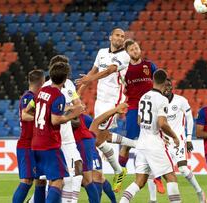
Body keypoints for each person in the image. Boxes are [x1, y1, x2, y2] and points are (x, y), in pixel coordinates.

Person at [76, 27, 135, 192]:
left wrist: (90, 78)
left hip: (112, 102)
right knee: (102, 137)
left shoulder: (124, 56)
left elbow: (109, 70)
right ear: (110, 37)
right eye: (117, 35)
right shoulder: (102, 52)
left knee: (95, 136)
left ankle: (122, 165)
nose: (120, 38)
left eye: (122, 36)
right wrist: (78, 94)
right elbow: (93, 72)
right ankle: (121, 167)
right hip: (99, 101)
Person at [27, 55, 84, 203]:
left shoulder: (42, 91)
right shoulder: (55, 93)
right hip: (51, 142)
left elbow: (29, 110)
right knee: (58, 180)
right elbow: (55, 119)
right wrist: (72, 114)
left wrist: (70, 108)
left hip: (43, 140)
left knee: (46, 180)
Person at [120, 69, 182, 203]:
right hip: (155, 145)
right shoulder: (162, 99)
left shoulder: (143, 97)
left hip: (142, 144)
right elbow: (162, 123)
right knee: (171, 177)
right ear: (165, 82)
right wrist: (174, 137)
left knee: (139, 181)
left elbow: (139, 120)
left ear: (153, 80)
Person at [161, 78, 206, 203]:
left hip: (178, 141)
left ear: (172, 87)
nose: (167, 88)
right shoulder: (158, 102)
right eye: (164, 86)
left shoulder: (181, 101)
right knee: (154, 171)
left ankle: (199, 191)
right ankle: (153, 199)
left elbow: (190, 119)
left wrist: (189, 138)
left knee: (183, 169)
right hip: (163, 142)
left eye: (169, 85)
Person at [12, 69, 46, 203]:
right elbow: (25, 116)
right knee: (27, 181)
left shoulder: (36, 98)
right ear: (42, 82)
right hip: (27, 145)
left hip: (37, 145)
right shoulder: (29, 97)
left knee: (41, 180)